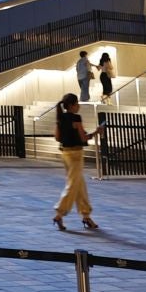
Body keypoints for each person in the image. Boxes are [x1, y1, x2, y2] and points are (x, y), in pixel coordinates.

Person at [52, 94, 100, 230]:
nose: (78, 106)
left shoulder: (60, 118)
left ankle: (86, 216)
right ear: (72, 105)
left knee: (79, 185)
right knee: (73, 185)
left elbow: (57, 137)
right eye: (77, 104)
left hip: (65, 154)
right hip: (76, 154)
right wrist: (96, 132)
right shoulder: (76, 118)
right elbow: (83, 138)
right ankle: (59, 213)